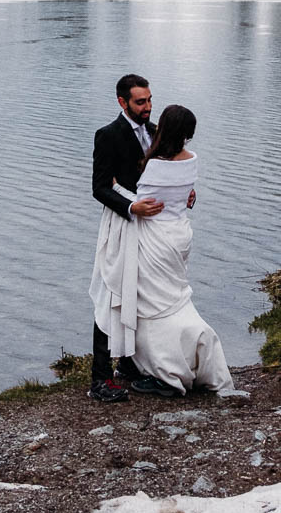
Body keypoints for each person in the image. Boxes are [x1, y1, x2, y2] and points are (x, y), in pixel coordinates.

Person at [127, 105, 233, 396]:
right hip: (181, 234)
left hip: (156, 238)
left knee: (152, 304)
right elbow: (183, 196)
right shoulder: (192, 160)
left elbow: (143, 202)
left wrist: (117, 189)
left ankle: (167, 372)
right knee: (175, 296)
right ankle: (194, 351)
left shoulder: (157, 165)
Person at [87, 74, 164, 402]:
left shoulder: (157, 131)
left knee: (143, 292)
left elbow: (168, 176)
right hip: (123, 221)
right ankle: (100, 380)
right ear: (122, 102)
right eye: (140, 102)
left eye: (149, 100)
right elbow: (99, 187)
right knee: (111, 292)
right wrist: (131, 206)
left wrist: (186, 198)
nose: (147, 107)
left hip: (152, 227)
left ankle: (130, 366)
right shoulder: (108, 135)